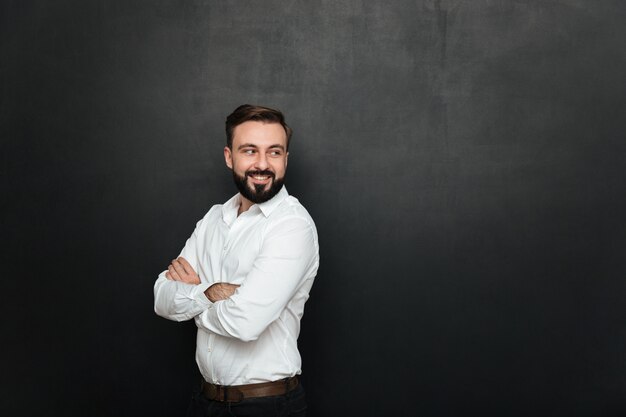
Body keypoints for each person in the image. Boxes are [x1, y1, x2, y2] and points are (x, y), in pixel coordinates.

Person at [154, 104, 319, 417]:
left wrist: (191, 302)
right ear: (230, 157)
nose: (262, 164)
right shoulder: (213, 219)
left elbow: (245, 323)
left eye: (274, 152)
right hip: (204, 402)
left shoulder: (291, 225)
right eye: (249, 150)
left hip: (266, 407)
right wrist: (213, 292)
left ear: (285, 159)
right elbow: (161, 297)